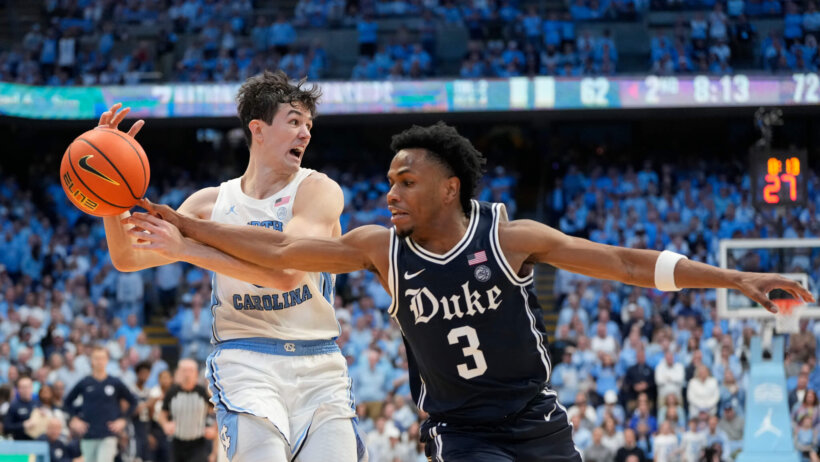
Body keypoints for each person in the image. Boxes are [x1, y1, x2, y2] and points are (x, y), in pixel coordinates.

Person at [127, 122, 813, 461]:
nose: (390, 192)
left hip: (538, 421)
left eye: (406, 182)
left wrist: (737, 277)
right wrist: (187, 223)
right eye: (389, 181)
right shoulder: (377, 247)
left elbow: (627, 265)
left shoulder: (509, 238)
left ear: (450, 187)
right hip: (461, 432)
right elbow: (279, 248)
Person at [99, 70, 362, 462]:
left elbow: (286, 275)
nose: (306, 134)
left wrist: (188, 248)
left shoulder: (317, 191)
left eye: (309, 125)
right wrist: (109, 194)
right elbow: (128, 257)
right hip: (245, 360)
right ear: (258, 129)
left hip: (318, 363)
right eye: (294, 122)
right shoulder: (210, 202)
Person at [63, 346, 136, 462]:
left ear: (107, 360)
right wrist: (73, 419)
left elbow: (133, 401)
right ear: (91, 360)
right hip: (88, 434)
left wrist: (123, 419)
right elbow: (66, 403)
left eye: (102, 358)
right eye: (96, 358)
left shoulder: (114, 382)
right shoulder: (85, 382)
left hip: (108, 433)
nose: (99, 361)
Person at [159, 359, 215, 462]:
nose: (187, 374)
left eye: (191, 370)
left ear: (196, 373)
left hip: (198, 443)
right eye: (184, 370)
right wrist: (165, 424)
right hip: (177, 442)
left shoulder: (202, 392)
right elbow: (162, 414)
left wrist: (214, 429)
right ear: (178, 373)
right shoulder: (172, 392)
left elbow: (218, 412)